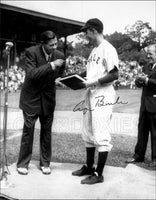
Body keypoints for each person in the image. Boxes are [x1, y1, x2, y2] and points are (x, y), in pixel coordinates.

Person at [72, 18, 119, 184]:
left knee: (101, 134)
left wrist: (94, 82)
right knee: (88, 131)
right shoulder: (94, 51)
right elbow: (89, 73)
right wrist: (69, 79)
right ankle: (89, 166)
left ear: (93, 30)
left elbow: (114, 74)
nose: (85, 35)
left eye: (86, 31)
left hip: (103, 94)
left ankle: (99, 174)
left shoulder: (108, 49)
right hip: (91, 93)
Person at [17, 30, 65, 175]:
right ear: (43, 44)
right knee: (28, 131)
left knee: (46, 132)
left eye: (56, 43)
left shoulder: (60, 56)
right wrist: (51, 65)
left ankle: (45, 163)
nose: (55, 47)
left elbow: (60, 73)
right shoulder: (31, 52)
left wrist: (59, 79)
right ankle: (23, 164)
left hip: (48, 99)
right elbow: (31, 75)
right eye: (51, 45)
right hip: (31, 99)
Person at [126, 44, 156, 169]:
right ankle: (138, 155)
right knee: (142, 131)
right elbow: (140, 83)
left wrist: (147, 81)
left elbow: (149, 82)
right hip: (144, 104)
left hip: (154, 105)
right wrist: (138, 80)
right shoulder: (146, 66)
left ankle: (155, 159)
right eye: (147, 53)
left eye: (151, 53)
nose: (148, 56)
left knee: (155, 133)